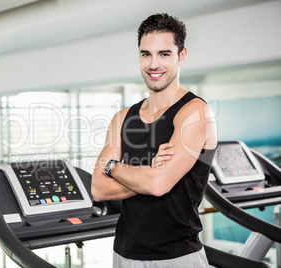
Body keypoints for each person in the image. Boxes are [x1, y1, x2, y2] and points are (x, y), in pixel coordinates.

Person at [91, 13, 217, 267]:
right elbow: (98, 188)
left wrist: (113, 167)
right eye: (145, 54)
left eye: (164, 54)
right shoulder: (122, 117)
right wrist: (148, 172)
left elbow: (158, 185)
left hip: (178, 257)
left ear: (181, 56)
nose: (153, 64)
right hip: (124, 255)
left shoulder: (195, 113)